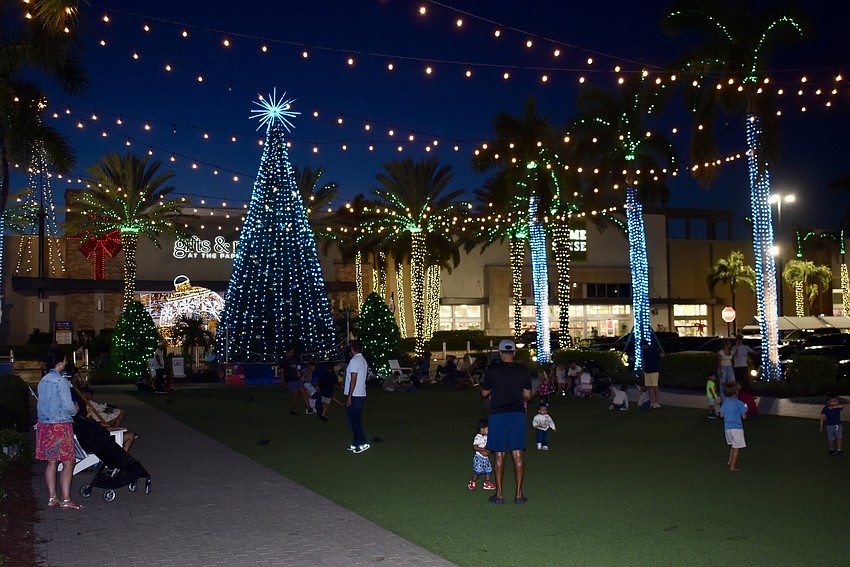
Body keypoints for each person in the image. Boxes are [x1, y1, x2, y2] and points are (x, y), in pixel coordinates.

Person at [480, 339, 532, 504]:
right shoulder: (522, 370)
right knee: (517, 454)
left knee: (499, 454)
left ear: (500, 352)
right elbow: (528, 395)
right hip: (517, 414)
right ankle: (519, 494)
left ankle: (499, 494)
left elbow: (484, 393)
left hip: (498, 414)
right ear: (514, 352)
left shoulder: (492, 370)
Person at [37, 349, 83, 510]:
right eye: (64, 360)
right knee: (68, 461)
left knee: (51, 462)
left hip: (45, 425)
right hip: (60, 425)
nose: (66, 362)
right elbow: (68, 405)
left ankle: (52, 497)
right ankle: (66, 499)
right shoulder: (60, 381)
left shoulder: (43, 381)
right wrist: (75, 409)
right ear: (60, 362)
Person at [344, 340, 370, 454]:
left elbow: (353, 380)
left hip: (355, 395)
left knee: (353, 420)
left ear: (352, 349)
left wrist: (349, 396)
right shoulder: (362, 360)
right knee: (354, 420)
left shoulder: (354, 361)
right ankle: (356, 443)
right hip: (360, 393)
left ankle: (362, 442)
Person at [718, 383, 748, 471]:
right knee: (736, 448)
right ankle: (733, 467)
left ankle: (730, 461)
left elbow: (721, 415)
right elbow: (744, 417)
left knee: (733, 445)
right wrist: (746, 410)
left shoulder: (725, 402)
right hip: (737, 428)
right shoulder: (739, 403)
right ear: (736, 392)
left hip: (727, 428)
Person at [282, 348, 312, 415]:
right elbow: (282, 372)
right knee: (296, 395)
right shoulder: (283, 360)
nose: (292, 354)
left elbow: (296, 368)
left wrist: (298, 373)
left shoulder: (292, 359)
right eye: (291, 352)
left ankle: (308, 408)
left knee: (300, 393)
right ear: (287, 352)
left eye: (293, 352)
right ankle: (305, 409)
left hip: (296, 379)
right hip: (290, 380)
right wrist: (284, 383)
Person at [468, 418, 495, 491]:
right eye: (487, 429)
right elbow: (475, 447)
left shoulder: (487, 437)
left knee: (488, 470)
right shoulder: (478, 437)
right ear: (482, 429)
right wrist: (483, 450)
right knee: (478, 471)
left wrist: (488, 450)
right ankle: (473, 481)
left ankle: (487, 483)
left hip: (486, 458)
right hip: (479, 458)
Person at [642, 339, 663, 408]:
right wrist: (643, 370)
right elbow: (644, 361)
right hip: (647, 371)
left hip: (654, 371)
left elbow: (660, 355)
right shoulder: (644, 352)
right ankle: (652, 401)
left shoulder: (653, 350)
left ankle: (657, 402)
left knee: (655, 386)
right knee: (649, 386)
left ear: (645, 345)